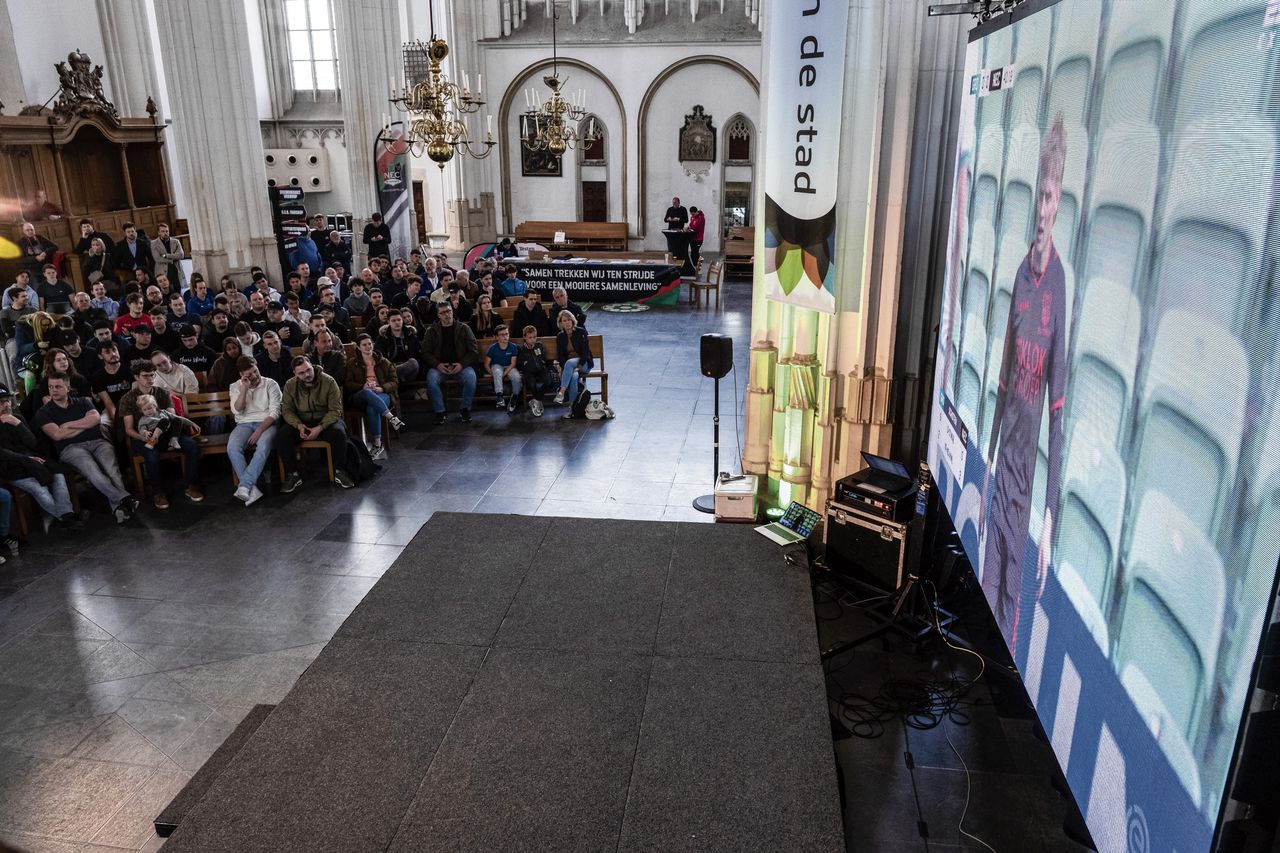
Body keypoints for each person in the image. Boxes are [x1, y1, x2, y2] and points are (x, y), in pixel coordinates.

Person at [979, 113, 1070, 649]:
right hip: (1001, 474)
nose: (1043, 207)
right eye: (1039, 195)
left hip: (1028, 487)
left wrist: (1050, 514)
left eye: (1052, 196)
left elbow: (1059, 410)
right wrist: (988, 456)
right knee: (989, 587)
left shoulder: (1059, 286)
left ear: (1059, 204)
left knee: (1013, 606)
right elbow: (1005, 372)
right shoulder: (1018, 273)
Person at [34, 372, 135, 523]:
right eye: (50, 387)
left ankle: (118, 508)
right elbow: (57, 435)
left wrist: (69, 425)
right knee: (93, 471)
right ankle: (124, 498)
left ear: (67, 387)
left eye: (58, 386)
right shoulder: (44, 412)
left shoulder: (82, 402)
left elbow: (95, 419)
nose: (53, 390)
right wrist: (85, 424)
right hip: (71, 449)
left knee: (113, 471)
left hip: (98, 442)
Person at [119, 361, 204, 509]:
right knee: (152, 455)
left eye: (152, 375)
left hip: (167, 433)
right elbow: (128, 429)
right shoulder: (128, 398)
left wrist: (172, 437)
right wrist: (143, 437)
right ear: (136, 377)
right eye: (145, 376)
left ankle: (191, 485)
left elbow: (171, 417)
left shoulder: (162, 393)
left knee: (192, 446)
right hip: (143, 436)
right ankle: (158, 493)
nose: (150, 379)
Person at [0, 385, 78, 531]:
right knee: (39, 489)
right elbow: (3, 453)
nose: (6, 405)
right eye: (1, 402)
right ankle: (67, 519)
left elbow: (33, 444)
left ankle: (66, 518)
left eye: (7, 401)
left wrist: (18, 424)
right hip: (11, 467)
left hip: (33, 460)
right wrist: (27, 460)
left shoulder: (16, 418)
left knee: (58, 475)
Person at [278, 356, 354, 491]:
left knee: (338, 433)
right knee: (283, 435)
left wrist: (320, 427)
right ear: (295, 373)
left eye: (308, 370)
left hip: (325, 419)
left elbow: (336, 410)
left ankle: (339, 471)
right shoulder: (290, 385)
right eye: (301, 373)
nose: (307, 374)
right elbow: (287, 410)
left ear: (312, 366)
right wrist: (298, 425)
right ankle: (293, 474)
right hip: (302, 421)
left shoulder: (329, 381)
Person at [227, 356, 280, 506]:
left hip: (267, 423)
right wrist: (244, 389)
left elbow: (275, 413)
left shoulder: (270, 384)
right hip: (244, 424)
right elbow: (236, 410)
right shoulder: (235, 386)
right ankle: (252, 489)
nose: (255, 376)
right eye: (249, 374)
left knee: (263, 446)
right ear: (241, 375)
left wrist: (259, 431)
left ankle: (245, 485)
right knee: (232, 448)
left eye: (255, 371)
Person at [344, 333, 403, 461]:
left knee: (372, 408)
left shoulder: (383, 362)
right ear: (359, 347)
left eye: (370, 344)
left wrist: (382, 388)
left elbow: (394, 381)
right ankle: (391, 418)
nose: (368, 347)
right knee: (367, 393)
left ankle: (377, 443)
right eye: (364, 345)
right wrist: (362, 386)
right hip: (360, 395)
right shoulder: (352, 363)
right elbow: (348, 384)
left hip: (381, 393)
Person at [421, 302, 479, 425]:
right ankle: (440, 412)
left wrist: (462, 364)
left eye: (448, 311)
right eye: (443, 313)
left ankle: (465, 409)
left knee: (471, 378)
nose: (446, 315)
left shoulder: (464, 328)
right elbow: (425, 352)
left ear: (452, 311)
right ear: (438, 315)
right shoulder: (431, 331)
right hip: (439, 366)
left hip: (460, 365)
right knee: (431, 380)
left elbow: (473, 351)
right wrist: (437, 364)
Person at [553, 309, 593, 417]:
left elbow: (585, 352)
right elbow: (561, 356)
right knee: (574, 377)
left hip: (583, 363)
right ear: (560, 323)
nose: (567, 322)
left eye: (568, 320)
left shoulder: (581, 331)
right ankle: (572, 408)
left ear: (572, 320)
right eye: (564, 321)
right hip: (569, 368)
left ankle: (561, 392)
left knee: (570, 363)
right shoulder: (560, 336)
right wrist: (562, 367)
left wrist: (579, 366)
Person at [134, 393, 199, 451]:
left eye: (150, 408)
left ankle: (173, 440)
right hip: (158, 439)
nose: (148, 411)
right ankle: (153, 440)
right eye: (145, 410)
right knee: (164, 420)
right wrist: (145, 432)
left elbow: (179, 418)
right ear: (141, 411)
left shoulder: (163, 412)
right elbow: (141, 429)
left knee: (177, 419)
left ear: (155, 406)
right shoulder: (143, 419)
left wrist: (192, 423)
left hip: (168, 435)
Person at [515, 324, 556, 418]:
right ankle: (538, 402)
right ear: (524, 337)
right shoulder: (521, 349)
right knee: (532, 384)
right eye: (530, 337)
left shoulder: (539, 345)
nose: (532, 339)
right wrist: (528, 365)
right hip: (529, 371)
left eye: (534, 337)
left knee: (548, 381)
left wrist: (547, 365)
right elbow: (520, 362)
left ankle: (536, 400)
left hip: (541, 369)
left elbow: (543, 358)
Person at [375, 311, 422, 388]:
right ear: (388, 322)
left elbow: (418, 354)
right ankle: (399, 382)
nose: (397, 322)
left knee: (413, 363)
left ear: (402, 321)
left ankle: (395, 380)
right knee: (383, 369)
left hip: (408, 369)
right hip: (390, 366)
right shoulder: (382, 338)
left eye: (399, 320)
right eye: (393, 321)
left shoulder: (411, 336)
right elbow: (379, 357)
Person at [484, 324, 522, 414]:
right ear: (497, 337)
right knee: (497, 371)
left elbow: (513, 363)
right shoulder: (493, 348)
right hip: (497, 366)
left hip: (509, 366)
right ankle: (499, 396)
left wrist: (503, 375)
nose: (505, 336)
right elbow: (486, 364)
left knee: (517, 377)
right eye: (502, 334)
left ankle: (515, 396)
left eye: (507, 334)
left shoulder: (513, 347)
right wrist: (493, 374)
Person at [152, 223, 185, 291]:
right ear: (159, 232)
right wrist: (172, 260)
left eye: (167, 231)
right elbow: (157, 258)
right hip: (162, 271)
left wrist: (166, 255)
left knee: (177, 289)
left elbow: (181, 255)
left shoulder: (176, 241)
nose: (165, 233)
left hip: (175, 269)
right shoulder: (154, 243)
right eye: (163, 231)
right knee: (165, 291)